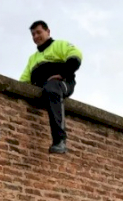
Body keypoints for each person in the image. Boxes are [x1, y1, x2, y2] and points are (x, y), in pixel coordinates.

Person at [19, 21, 83, 154]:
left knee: (52, 88)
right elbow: (23, 81)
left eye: (38, 32)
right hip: (41, 88)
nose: (36, 36)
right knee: (46, 89)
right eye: (33, 34)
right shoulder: (33, 58)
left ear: (48, 32)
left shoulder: (59, 45)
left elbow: (76, 56)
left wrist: (63, 74)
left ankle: (60, 140)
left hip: (62, 83)